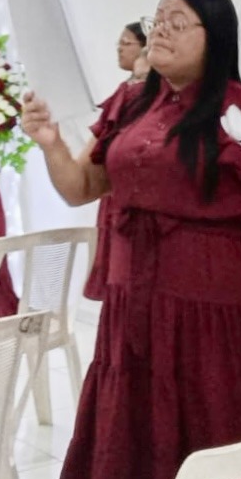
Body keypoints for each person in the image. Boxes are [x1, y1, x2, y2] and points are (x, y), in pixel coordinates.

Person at [21, 0, 241, 479]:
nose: (162, 32)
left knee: (216, 432)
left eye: (179, 22)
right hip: (133, 304)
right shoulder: (130, 105)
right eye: (158, 20)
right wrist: (51, 144)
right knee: (136, 445)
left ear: (215, 36)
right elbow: (81, 188)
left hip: (215, 310)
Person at [84, 21, 150, 301]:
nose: (119, 49)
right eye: (118, 43)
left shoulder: (146, 94)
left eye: (126, 43)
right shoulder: (125, 91)